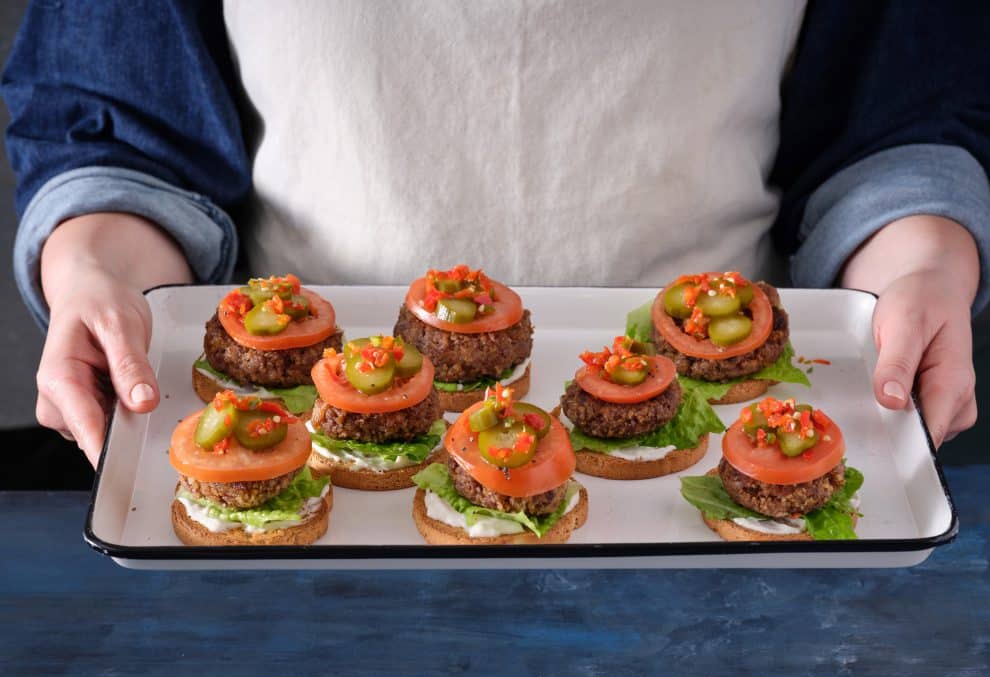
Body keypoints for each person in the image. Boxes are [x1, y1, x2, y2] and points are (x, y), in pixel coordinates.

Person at [3, 1, 987, 467]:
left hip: (735, 422)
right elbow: (122, 122)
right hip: (301, 422)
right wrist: (96, 266)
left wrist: (922, 263)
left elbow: (898, 113)